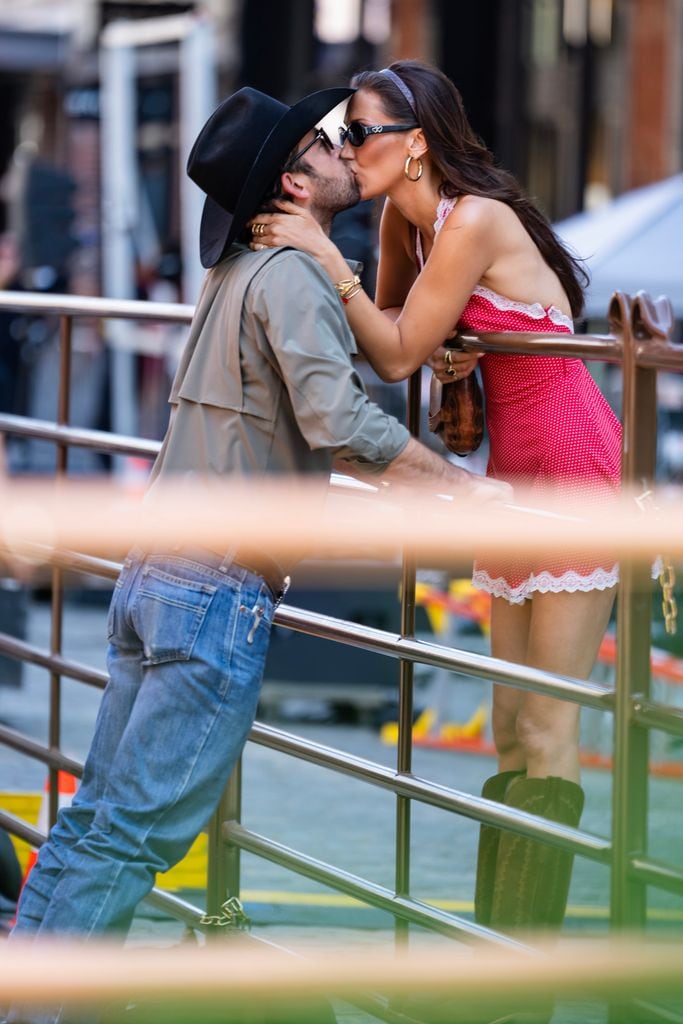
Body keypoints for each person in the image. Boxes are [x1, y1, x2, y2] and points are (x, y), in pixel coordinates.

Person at [5, 84, 510, 1023]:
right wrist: (458, 489)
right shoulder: (289, 278)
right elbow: (339, 418)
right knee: (125, 837)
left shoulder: (238, 271)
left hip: (158, 571)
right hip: (214, 586)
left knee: (96, 824)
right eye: (327, 143)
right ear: (293, 177)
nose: (344, 150)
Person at [248, 60, 622, 949]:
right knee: (503, 724)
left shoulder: (474, 220)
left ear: (415, 144)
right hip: (510, 470)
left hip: (570, 464)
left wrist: (318, 255)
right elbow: (390, 345)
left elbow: (396, 347)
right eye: (341, 135)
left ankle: (524, 974)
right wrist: (430, 333)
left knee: (545, 721)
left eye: (360, 133)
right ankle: (499, 949)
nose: (345, 150)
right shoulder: (399, 228)